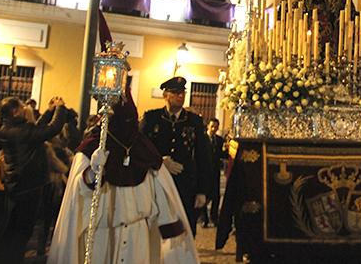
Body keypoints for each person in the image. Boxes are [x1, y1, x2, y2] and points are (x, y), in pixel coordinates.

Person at [48, 82, 198, 264]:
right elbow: (79, 194)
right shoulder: (92, 148)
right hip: (101, 235)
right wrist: (93, 172)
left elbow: (162, 190)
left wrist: (170, 226)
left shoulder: (144, 149)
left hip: (137, 235)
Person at [0, 96, 67, 264]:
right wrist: (60, 109)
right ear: (15, 111)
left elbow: (36, 130)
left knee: (11, 229)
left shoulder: (8, 129)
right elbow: (51, 129)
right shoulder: (22, 131)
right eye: (21, 107)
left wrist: (49, 112)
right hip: (28, 186)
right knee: (22, 232)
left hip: (17, 185)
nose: (25, 109)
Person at [140, 77, 211, 235]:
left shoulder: (194, 121)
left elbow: (203, 158)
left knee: (185, 229)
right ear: (165, 95)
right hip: (157, 184)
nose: (181, 96)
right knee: (156, 231)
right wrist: (160, 162)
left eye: (183, 93)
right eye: (176, 93)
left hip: (186, 186)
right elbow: (141, 149)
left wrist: (202, 191)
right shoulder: (152, 119)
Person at [203, 118, 229, 227]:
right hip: (204, 171)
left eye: (216, 127)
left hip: (215, 171)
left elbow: (221, 154)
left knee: (216, 196)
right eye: (212, 126)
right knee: (204, 195)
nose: (214, 129)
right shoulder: (202, 138)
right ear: (208, 126)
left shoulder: (219, 140)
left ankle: (214, 217)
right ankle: (204, 219)